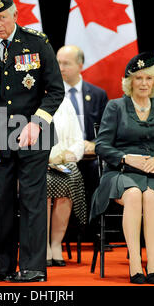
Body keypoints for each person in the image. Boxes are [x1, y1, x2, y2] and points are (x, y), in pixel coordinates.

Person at [0, 0, 64, 282]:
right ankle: (5, 267)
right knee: (3, 201)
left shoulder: (36, 42)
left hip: (34, 133)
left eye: (2, 18)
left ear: (15, 16)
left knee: (32, 200)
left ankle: (32, 268)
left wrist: (37, 123)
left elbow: (55, 90)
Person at [90, 48, 154, 284]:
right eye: (138, 78)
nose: (143, 83)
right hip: (121, 172)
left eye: (149, 78)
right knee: (133, 195)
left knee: (149, 197)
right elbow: (101, 146)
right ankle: (135, 263)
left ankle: (152, 264)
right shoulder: (116, 106)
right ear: (130, 81)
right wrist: (126, 158)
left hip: (153, 173)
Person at [56, 45, 108, 218]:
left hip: (90, 156)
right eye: (58, 63)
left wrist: (95, 144)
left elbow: (106, 130)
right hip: (59, 155)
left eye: (66, 63)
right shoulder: (50, 94)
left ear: (80, 65)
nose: (61, 68)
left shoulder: (98, 94)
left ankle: (93, 227)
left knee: (97, 170)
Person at [46, 98, 86, 267]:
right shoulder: (26, 96)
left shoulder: (65, 101)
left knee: (71, 178)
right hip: (34, 163)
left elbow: (78, 140)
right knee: (43, 183)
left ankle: (56, 244)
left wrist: (71, 153)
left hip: (61, 162)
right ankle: (42, 245)